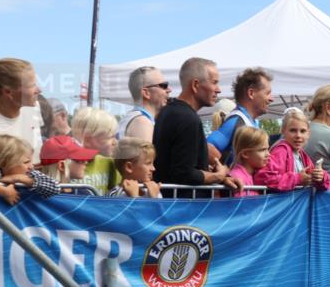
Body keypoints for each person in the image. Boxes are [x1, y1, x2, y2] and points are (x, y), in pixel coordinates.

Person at [153, 58, 241, 193]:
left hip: (170, 204)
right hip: (183, 208)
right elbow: (184, 173)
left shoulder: (168, 111)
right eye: (214, 83)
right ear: (195, 85)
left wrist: (221, 179)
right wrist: (219, 175)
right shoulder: (187, 118)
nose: (218, 90)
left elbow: (179, 166)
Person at [207, 67, 274, 166]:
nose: (271, 99)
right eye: (268, 93)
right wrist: (227, 173)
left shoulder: (251, 122)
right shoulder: (236, 121)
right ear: (251, 93)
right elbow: (206, 147)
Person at [256, 108, 330, 192]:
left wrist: (321, 176)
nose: (298, 135)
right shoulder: (281, 151)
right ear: (283, 131)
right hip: (283, 204)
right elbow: (263, 177)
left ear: (308, 134)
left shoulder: (302, 155)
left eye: (302, 131)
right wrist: (297, 178)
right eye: (293, 130)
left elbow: (324, 184)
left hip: (297, 204)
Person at [0, 58, 43, 164]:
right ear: (7, 92)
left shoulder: (34, 109)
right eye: (31, 85)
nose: (39, 90)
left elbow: (38, 158)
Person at [0, 134, 61, 204]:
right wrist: (4, 191)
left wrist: (21, 179)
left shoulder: (29, 174)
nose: (31, 166)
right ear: (4, 163)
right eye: (26, 162)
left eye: (31, 161)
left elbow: (55, 188)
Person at [71, 107, 121, 196]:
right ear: (88, 140)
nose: (115, 142)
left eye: (115, 136)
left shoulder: (110, 163)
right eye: (110, 137)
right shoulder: (68, 165)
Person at [117, 66, 171, 141]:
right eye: (164, 86)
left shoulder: (133, 118)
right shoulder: (142, 123)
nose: (169, 90)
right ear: (146, 93)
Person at [228, 126, 271, 196]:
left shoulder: (257, 173)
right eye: (262, 150)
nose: (268, 154)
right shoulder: (237, 177)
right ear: (245, 154)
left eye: (267, 149)